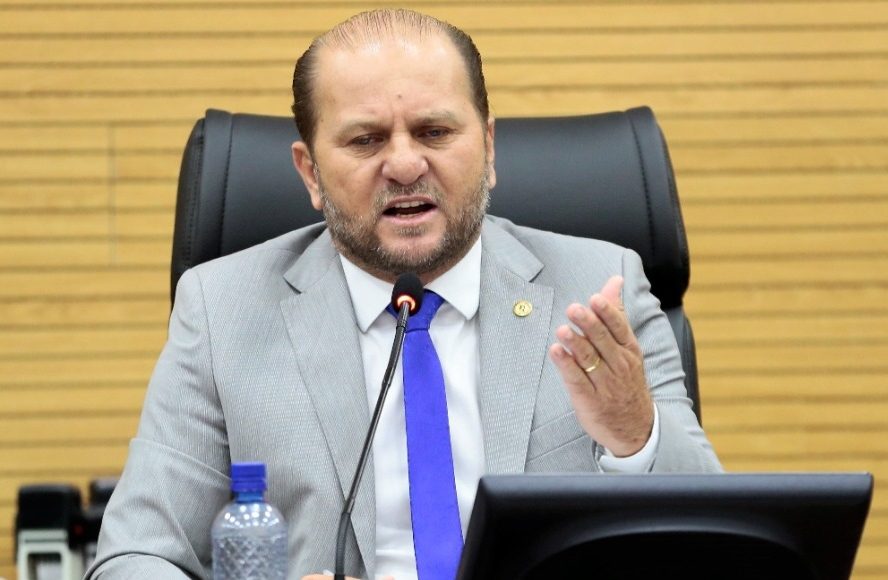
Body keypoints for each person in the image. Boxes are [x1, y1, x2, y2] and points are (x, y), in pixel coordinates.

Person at [87, 8, 721, 580]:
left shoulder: (599, 285)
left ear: (489, 149)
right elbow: (134, 555)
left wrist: (634, 434)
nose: (404, 164)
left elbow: (714, 538)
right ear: (311, 173)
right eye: (365, 140)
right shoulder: (221, 310)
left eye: (434, 132)